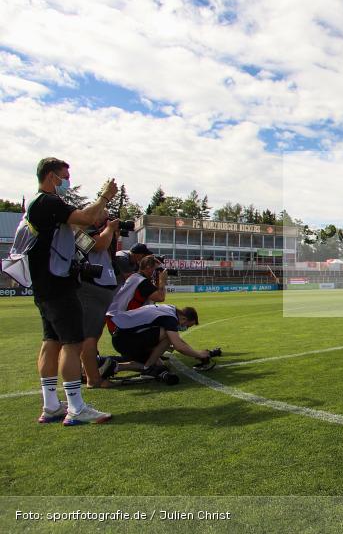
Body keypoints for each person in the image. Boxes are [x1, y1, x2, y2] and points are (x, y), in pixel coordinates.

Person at [25, 157, 117, 425]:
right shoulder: (49, 203)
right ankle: (76, 407)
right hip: (59, 284)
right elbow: (88, 217)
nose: (67, 181)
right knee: (71, 343)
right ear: (52, 176)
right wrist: (103, 197)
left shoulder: (36, 206)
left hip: (44, 286)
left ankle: (51, 404)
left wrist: (102, 210)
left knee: (50, 342)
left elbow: (87, 235)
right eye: (64, 176)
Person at [76, 216, 120, 388]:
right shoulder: (81, 231)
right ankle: (93, 379)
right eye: (103, 213)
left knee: (93, 335)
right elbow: (98, 246)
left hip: (99, 288)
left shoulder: (93, 232)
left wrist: (110, 233)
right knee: (89, 337)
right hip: (91, 288)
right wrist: (109, 229)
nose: (107, 217)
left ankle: (87, 372)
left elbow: (104, 250)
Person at [106, 304, 207, 375]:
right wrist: (199, 355)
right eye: (188, 326)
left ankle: (118, 366)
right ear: (184, 318)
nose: (185, 328)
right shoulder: (170, 319)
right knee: (168, 338)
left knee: (160, 365)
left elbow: (178, 341)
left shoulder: (170, 309)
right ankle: (148, 368)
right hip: (125, 340)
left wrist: (195, 352)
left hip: (123, 336)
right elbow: (179, 346)